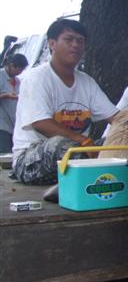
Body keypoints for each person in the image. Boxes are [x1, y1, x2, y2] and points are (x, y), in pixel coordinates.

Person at [11, 19, 118, 185]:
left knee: (113, 144)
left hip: (77, 153)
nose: (75, 45)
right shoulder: (36, 78)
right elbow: (40, 123)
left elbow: (116, 118)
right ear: (52, 43)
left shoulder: (87, 82)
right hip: (30, 160)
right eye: (69, 39)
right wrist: (82, 140)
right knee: (61, 144)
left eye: (80, 41)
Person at [0, 53, 28, 152]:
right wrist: (6, 95)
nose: (20, 72)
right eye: (19, 69)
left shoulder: (18, 81)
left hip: (13, 125)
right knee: (4, 154)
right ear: (11, 65)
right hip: (2, 125)